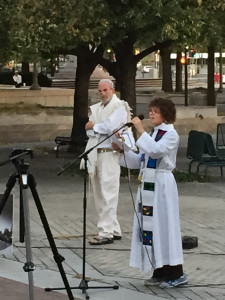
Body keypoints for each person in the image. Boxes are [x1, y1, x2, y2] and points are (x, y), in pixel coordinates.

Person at [112, 97, 188, 288]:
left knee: (165, 227)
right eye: (151, 110)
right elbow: (140, 161)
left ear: (165, 114)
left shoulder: (170, 135)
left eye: (155, 111)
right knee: (151, 227)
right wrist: (122, 150)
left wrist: (139, 130)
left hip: (162, 184)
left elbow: (155, 152)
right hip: (148, 184)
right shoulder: (154, 134)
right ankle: (159, 269)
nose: (151, 114)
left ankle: (176, 273)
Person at [85, 79, 132, 245]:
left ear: (112, 90)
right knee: (99, 193)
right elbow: (90, 131)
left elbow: (110, 126)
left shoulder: (120, 106)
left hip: (109, 154)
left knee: (109, 193)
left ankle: (106, 232)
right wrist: (97, 127)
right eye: (100, 91)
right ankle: (114, 228)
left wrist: (95, 126)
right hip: (96, 153)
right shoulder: (97, 108)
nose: (102, 93)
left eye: (105, 90)